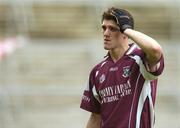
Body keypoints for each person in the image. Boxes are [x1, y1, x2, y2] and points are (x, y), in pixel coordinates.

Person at [80, 7, 164, 128]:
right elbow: (95, 116)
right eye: (104, 28)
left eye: (112, 29)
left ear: (125, 33)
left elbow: (155, 50)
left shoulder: (140, 59)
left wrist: (126, 29)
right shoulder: (97, 71)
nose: (106, 33)